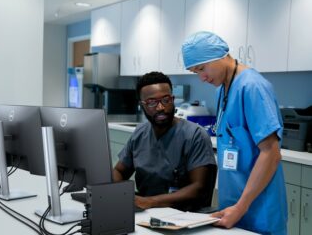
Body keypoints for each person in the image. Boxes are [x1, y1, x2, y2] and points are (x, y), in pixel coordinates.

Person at [182, 31, 287, 234]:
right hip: (232, 206)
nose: (202, 78)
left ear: (221, 55)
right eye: (196, 72)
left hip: (258, 207)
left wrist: (241, 207)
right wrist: (235, 208)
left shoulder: (253, 87)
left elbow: (271, 153)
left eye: (202, 68)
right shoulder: (222, 89)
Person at [113, 71, 217, 211]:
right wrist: (120, 195)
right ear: (142, 105)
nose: (161, 107)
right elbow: (119, 171)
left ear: (173, 99)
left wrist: (149, 202)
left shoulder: (194, 135)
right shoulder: (140, 133)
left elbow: (199, 188)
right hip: (146, 213)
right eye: (151, 103)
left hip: (184, 214)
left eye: (166, 100)